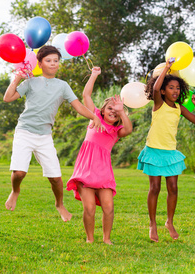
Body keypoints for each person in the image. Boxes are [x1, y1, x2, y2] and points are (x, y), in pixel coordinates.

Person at [3, 45, 104, 222]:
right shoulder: (30, 82)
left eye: (56, 61)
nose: (53, 64)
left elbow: (78, 105)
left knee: (56, 178)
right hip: (24, 131)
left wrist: (94, 116)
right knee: (19, 172)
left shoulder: (62, 86)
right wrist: (18, 77)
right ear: (40, 64)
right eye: (48, 61)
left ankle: (59, 204)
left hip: (44, 136)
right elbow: (8, 98)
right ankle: (15, 190)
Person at [137, 58, 195, 242]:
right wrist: (167, 67)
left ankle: (169, 222)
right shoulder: (159, 103)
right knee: (155, 188)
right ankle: (152, 224)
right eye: (171, 87)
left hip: (170, 152)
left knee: (173, 188)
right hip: (154, 150)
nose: (175, 91)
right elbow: (156, 89)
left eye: (177, 88)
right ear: (165, 90)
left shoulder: (179, 108)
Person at [66, 67, 132, 245]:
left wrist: (122, 111)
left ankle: (107, 239)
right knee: (88, 208)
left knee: (108, 208)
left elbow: (129, 129)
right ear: (102, 110)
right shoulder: (94, 117)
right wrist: (94, 75)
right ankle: (89, 238)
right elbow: (86, 96)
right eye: (110, 108)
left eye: (116, 111)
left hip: (103, 173)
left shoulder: (116, 131)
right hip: (86, 171)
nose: (113, 111)